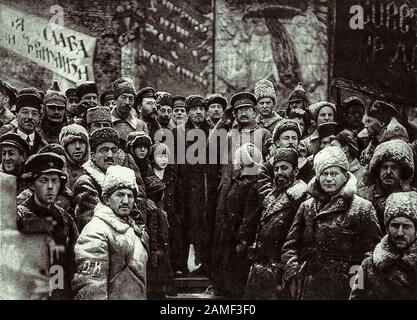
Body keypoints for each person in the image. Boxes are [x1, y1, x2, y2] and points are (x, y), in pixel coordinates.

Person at [281, 146, 381, 299]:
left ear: (345, 175)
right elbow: (290, 246)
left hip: (343, 289)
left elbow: (370, 254)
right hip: (308, 286)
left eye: (334, 173)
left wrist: (357, 288)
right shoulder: (307, 207)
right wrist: (294, 273)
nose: (328, 179)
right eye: (324, 174)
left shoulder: (362, 207)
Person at [72, 165, 149, 300]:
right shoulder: (95, 231)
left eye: (130, 196)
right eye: (119, 195)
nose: (125, 201)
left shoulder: (135, 230)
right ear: (107, 199)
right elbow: (91, 288)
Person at [245, 148, 307, 299]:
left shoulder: (302, 198)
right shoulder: (272, 196)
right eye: (276, 168)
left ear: (296, 171)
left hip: (281, 273)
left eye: (285, 168)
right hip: (261, 271)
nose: (279, 172)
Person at [17, 152, 79, 299]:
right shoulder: (18, 217)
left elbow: (73, 259)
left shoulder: (64, 218)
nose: (50, 187)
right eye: (43, 181)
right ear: (32, 184)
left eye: (55, 181)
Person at [211, 143, 263, 298]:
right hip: (229, 234)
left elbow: (249, 216)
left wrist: (242, 240)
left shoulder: (252, 186)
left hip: (239, 237)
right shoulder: (239, 182)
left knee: (237, 274)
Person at [350, 191, 417, 300]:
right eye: (395, 226)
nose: (400, 233)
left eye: (406, 226)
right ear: (387, 228)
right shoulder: (368, 266)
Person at [173, 95, 212, 275]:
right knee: (183, 223)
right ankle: (180, 265)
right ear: (188, 112)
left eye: (202, 109)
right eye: (194, 109)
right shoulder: (177, 132)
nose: (198, 112)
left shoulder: (211, 132)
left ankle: (203, 264)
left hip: (204, 184)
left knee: (203, 224)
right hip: (184, 184)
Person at [358, 140, 415, 232]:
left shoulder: (412, 197)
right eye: (385, 167)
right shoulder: (364, 196)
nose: (388, 172)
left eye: (394, 168)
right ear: (378, 170)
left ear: (402, 172)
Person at [73, 127, 121, 230]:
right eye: (104, 150)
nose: (110, 155)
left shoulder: (123, 180)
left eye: (114, 150)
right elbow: (90, 222)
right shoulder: (85, 182)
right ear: (93, 156)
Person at [151, 142, 186, 276]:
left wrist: (178, 215)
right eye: (160, 156)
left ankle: (176, 267)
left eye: (166, 157)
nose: (163, 160)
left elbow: (180, 198)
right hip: (156, 215)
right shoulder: (149, 175)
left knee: (175, 239)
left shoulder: (173, 177)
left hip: (171, 214)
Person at [144, 174, 174, 299]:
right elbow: (154, 232)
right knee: (157, 285)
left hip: (159, 250)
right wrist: (154, 250)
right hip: (158, 252)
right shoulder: (154, 212)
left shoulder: (158, 210)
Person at [0, 88, 47, 155]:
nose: (30, 117)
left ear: (39, 117)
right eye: (25, 112)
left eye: (34, 113)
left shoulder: (44, 146)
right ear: (16, 115)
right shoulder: (4, 141)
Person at [360, 100, 398, 166]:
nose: (365, 126)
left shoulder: (393, 147)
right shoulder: (368, 149)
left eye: (369, 121)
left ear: (381, 123)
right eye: (366, 122)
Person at [111, 77, 147, 143]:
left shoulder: (140, 125)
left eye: (131, 98)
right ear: (115, 100)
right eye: (123, 97)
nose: (127, 102)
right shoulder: (105, 122)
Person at [59, 124, 90, 190]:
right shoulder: (59, 171)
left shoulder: (93, 170)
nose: (77, 146)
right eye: (72, 142)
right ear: (64, 146)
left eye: (81, 142)